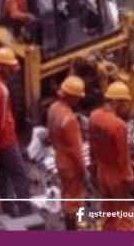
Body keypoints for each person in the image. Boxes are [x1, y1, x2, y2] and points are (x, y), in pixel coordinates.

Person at [0, 47, 31, 217]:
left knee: (4, 177)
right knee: (21, 177)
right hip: (6, 141)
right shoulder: (2, 90)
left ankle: (7, 209)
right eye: (10, 68)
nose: (13, 72)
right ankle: (27, 215)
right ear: (1, 66)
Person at [89, 81, 134, 230]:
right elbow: (124, 157)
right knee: (123, 214)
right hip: (117, 176)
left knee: (108, 211)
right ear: (116, 102)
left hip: (101, 171)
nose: (124, 106)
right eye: (123, 102)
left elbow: (91, 144)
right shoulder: (118, 126)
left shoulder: (94, 116)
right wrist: (129, 178)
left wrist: (93, 166)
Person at [48, 75, 87, 229]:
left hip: (59, 157)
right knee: (74, 196)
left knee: (65, 191)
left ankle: (70, 218)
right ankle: (72, 228)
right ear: (73, 97)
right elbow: (76, 150)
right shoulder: (70, 120)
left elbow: (50, 134)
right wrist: (82, 168)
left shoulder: (53, 108)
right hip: (71, 164)